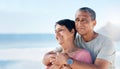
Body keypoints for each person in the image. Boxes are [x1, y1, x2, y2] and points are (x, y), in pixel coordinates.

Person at [43, 7, 116, 69]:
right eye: (77, 20)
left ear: (94, 23)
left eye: (84, 20)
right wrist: (56, 60)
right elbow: (49, 56)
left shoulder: (106, 43)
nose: (79, 24)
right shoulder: (75, 40)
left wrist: (67, 61)